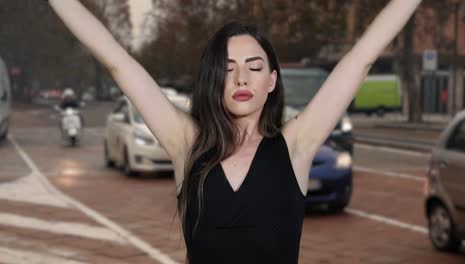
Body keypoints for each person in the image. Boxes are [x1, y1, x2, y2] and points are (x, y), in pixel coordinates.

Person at [46, 0, 422, 263]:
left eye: (254, 67)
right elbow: (117, 60)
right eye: (228, 67)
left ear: (272, 80)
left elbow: (362, 56)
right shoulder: (186, 144)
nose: (241, 77)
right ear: (215, 79)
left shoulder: (297, 145)